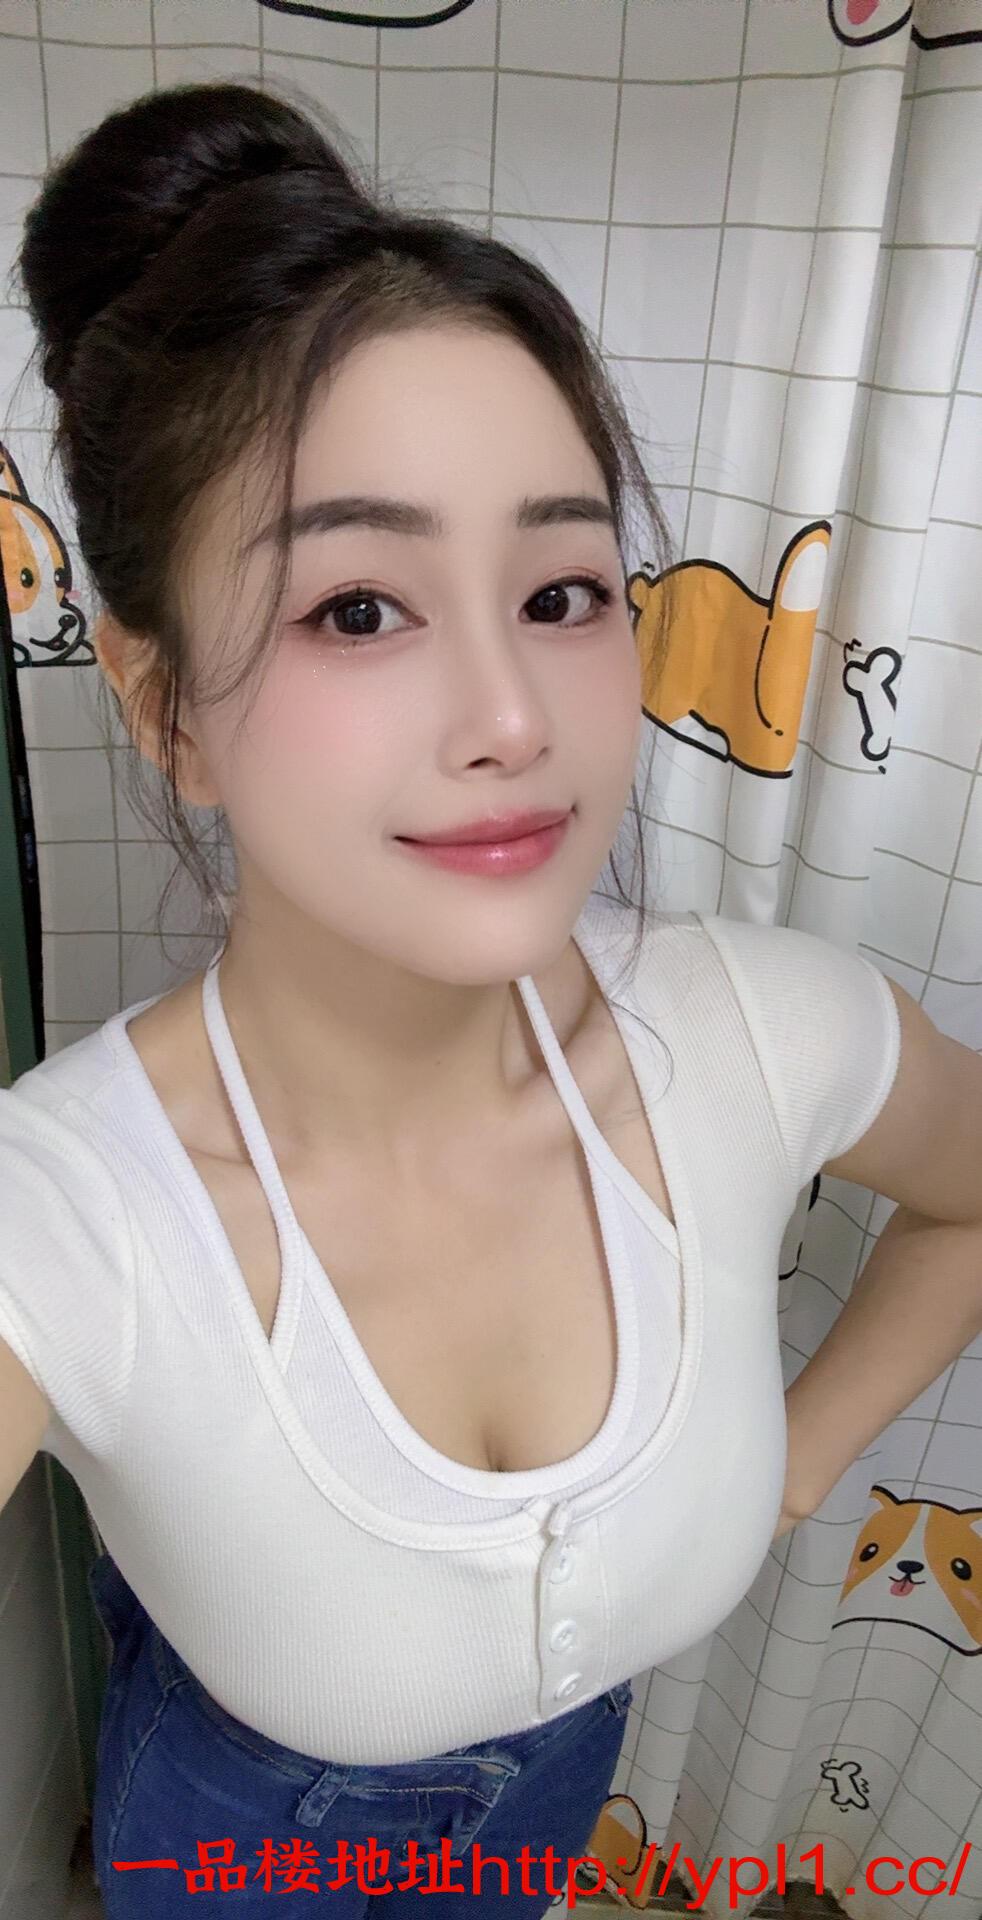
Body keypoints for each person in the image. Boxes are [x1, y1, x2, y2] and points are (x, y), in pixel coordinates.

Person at [1, 78, 974, 1920]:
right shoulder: (64, 1215)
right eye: (359, 609)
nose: (516, 717)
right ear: (162, 707)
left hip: (555, 1799)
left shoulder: (754, 1032)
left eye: (560, 590)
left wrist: (787, 1468)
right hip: (237, 1844)